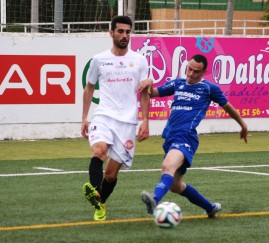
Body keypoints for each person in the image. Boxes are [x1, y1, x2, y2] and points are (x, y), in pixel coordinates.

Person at [141, 54, 248, 218]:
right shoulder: (178, 83)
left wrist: (243, 125)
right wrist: (149, 81)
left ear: (203, 72)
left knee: (167, 166)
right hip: (170, 137)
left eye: (196, 71)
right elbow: (150, 93)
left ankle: (154, 199)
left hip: (186, 137)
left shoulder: (209, 88)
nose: (190, 74)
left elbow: (227, 107)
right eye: (189, 69)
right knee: (175, 186)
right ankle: (210, 207)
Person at [81, 15, 150, 221]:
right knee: (99, 150)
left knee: (111, 175)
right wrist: (84, 117)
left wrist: (145, 120)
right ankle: (93, 192)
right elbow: (89, 87)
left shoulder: (139, 60)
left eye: (128, 32)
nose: (124, 35)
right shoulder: (98, 60)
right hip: (103, 116)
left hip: (127, 123)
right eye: (120, 31)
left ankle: (100, 202)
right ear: (111, 32)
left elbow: (145, 91)